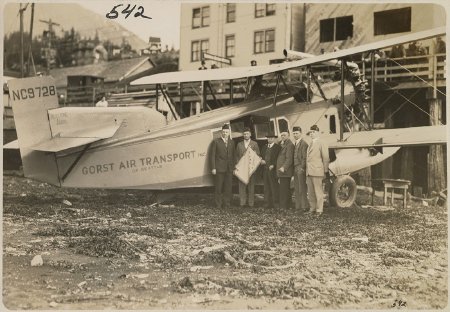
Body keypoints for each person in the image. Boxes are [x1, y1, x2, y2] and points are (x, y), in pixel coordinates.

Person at [306, 125, 329, 216]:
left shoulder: (321, 142)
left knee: (318, 192)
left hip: (317, 171)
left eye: (313, 132)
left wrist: (325, 170)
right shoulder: (310, 143)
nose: (311, 134)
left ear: (318, 132)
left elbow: (326, 158)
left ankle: (319, 210)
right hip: (309, 171)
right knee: (311, 192)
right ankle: (312, 208)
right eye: (310, 133)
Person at [210, 124, 235, 210]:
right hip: (219, 168)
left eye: (227, 132)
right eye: (224, 132)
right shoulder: (216, 141)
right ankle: (218, 205)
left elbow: (233, 156)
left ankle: (226, 204)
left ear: (229, 133)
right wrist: (213, 168)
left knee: (228, 187)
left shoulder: (232, 142)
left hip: (229, 169)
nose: (225, 133)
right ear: (221, 132)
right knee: (219, 187)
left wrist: (234, 168)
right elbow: (212, 155)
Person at [235, 127, 260, 208]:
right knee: (242, 186)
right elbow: (237, 156)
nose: (246, 135)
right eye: (244, 134)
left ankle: (251, 203)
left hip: (251, 169)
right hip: (242, 169)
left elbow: (258, 156)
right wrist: (239, 166)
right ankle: (242, 203)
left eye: (247, 134)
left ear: (250, 134)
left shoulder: (254, 144)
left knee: (251, 186)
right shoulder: (239, 144)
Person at [261, 132, 281, 210]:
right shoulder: (264, 147)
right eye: (269, 138)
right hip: (265, 170)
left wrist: (273, 165)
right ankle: (266, 204)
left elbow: (279, 159)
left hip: (273, 171)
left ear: (274, 139)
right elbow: (261, 157)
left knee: (274, 187)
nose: (270, 139)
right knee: (266, 188)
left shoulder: (277, 148)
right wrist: (261, 160)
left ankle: (276, 204)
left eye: (271, 138)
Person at [276, 131, 294, 210]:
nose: (283, 136)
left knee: (284, 189)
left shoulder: (289, 145)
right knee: (284, 188)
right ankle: (287, 205)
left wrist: (284, 167)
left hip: (285, 171)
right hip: (281, 171)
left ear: (288, 136)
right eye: (282, 135)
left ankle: (283, 207)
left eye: (284, 135)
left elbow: (289, 159)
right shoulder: (281, 143)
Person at [292, 126, 309, 212]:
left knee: (302, 188)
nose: (295, 135)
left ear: (301, 133)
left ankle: (304, 206)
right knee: (297, 188)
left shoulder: (304, 144)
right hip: (295, 168)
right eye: (294, 133)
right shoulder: (295, 143)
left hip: (300, 168)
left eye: (297, 133)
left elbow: (304, 158)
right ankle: (298, 206)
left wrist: (302, 168)